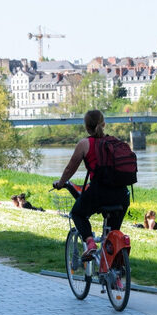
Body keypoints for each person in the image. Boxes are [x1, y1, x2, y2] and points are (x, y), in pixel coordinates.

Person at [53, 109, 130, 260]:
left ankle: (90, 243)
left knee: (77, 213)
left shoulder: (84, 144)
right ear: (104, 124)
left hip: (98, 193)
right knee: (113, 235)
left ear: (86, 127)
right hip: (122, 194)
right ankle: (117, 277)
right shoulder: (116, 142)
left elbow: (70, 168)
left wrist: (61, 183)